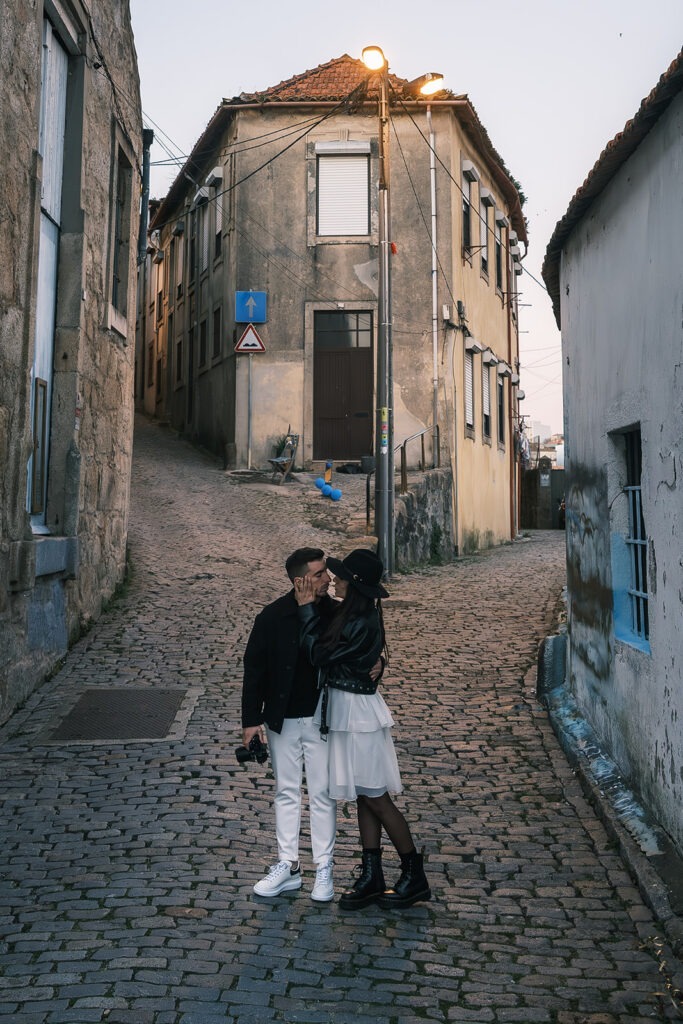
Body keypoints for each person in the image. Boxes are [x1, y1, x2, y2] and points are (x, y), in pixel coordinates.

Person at [294, 548, 431, 910]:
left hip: (358, 716)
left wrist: (306, 609)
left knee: (377, 798)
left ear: (353, 584)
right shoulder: (351, 613)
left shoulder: (360, 620)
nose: (334, 579)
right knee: (364, 797)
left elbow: (319, 655)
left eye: (340, 575)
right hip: (348, 711)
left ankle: (414, 874)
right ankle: (372, 875)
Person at [241, 547, 338, 902]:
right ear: (300, 580)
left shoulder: (333, 613)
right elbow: (255, 670)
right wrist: (251, 721)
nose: (327, 579)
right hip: (281, 717)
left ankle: (324, 867)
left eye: (326, 572)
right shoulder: (271, 616)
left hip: (322, 718)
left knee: (322, 793)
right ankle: (289, 865)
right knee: (285, 791)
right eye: (319, 574)